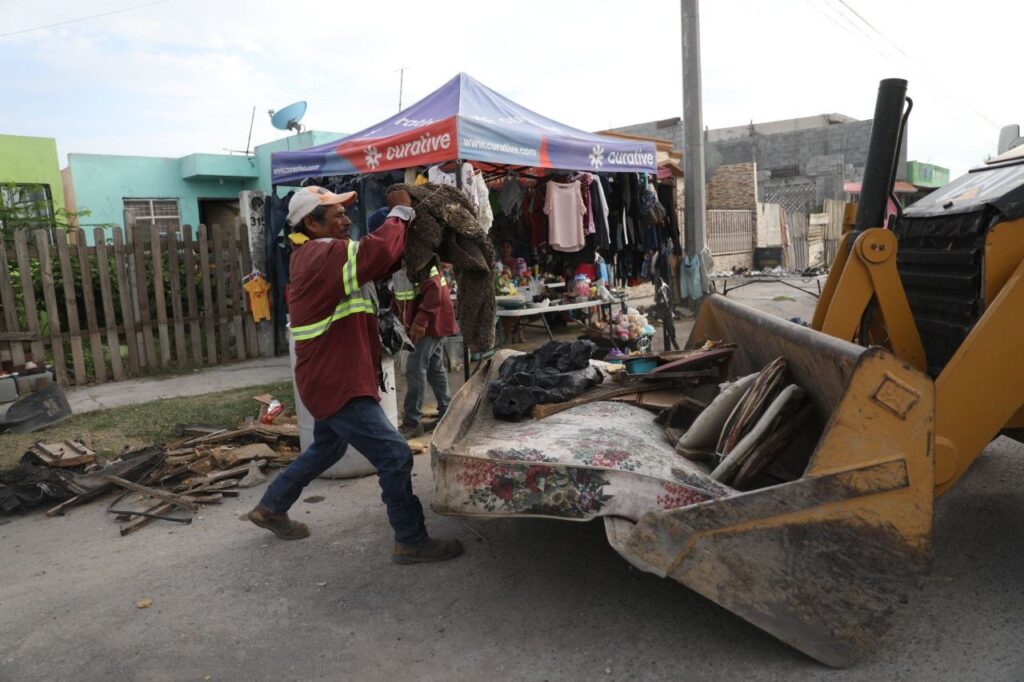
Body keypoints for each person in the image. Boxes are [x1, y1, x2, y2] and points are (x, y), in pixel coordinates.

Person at [247, 185, 463, 565]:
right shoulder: (320, 254)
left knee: (327, 447)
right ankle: (411, 541)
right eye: (337, 216)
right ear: (311, 224)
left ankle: (271, 506)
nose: (348, 220)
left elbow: (383, 261)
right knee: (395, 454)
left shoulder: (319, 254)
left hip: (331, 376)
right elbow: (376, 251)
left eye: (347, 213)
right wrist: (399, 214)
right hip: (338, 382)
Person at [399, 260, 456, 438]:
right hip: (433, 319)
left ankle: (412, 422)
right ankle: (448, 414)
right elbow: (403, 297)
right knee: (434, 368)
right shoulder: (403, 263)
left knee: (415, 369)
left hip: (430, 322)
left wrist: (420, 320)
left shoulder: (420, 260)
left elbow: (435, 291)